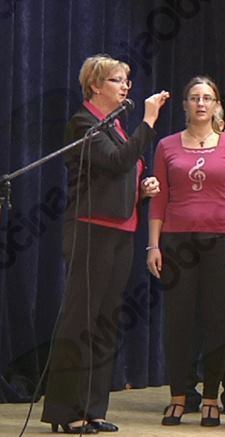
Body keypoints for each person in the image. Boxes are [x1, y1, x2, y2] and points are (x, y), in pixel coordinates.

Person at [42, 54, 169, 434]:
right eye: (116, 80)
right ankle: (65, 411)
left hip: (121, 231)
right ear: (95, 85)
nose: (125, 86)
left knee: (105, 321)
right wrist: (148, 121)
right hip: (90, 230)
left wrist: (141, 192)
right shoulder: (84, 122)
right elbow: (115, 162)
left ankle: (93, 408)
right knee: (80, 320)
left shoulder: (115, 126)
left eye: (126, 80)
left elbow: (118, 173)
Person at [147, 76, 225, 427]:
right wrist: (153, 245)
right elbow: (159, 199)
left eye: (207, 98)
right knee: (178, 321)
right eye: (194, 98)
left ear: (216, 104)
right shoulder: (166, 146)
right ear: (185, 105)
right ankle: (178, 396)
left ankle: (210, 397)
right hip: (177, 241)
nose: (201, 103)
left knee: (217, 321)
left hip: (221, 240)